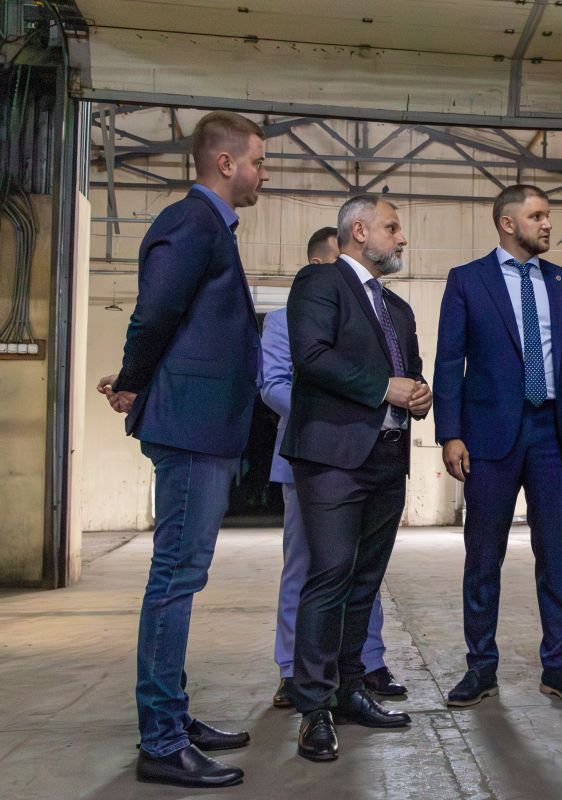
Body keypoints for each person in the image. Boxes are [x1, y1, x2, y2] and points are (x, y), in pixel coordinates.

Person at [96, 111, 268, 788]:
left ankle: (173, 715)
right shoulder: (191, 222)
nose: (262, 174)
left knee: (180, 577)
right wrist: (133, 381)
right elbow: (155, 312)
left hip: (204, 427)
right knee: (174, 579)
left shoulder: (209, 227)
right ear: (225, 163)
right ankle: (162, 740)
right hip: (190, 429)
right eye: (258, 161)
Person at [433, 184, 562, 707]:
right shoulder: (467, 281)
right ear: (508, 224)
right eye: (537, 216)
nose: (548, 224)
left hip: (552, 434)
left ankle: (559, 665)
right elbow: (449, 361)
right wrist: (450, 433)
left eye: (548, 215)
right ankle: (480, 667)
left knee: (555, 554)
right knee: (484, 557)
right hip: (488, 438)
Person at [281, 194, 430, 762]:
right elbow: (311, 356)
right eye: (393, 227)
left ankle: (350, 689)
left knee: (365, 582)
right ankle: (314, 707)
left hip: (388, 458)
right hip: (333, 458)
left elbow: (410, 372)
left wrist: (420, 394)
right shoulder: (319, 283)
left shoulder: (399, 309)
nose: (402, 238)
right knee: (330, 577)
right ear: (360, 231)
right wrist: (384, 388)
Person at [261, 226, 407, 711]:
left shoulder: (381, 314)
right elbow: (275, 385)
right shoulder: (284, 320)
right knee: (310, 570)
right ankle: (293, 669)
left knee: (364, 570)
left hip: (371, 455)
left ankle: (366, 662)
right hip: (314, 455)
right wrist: (351, 407)